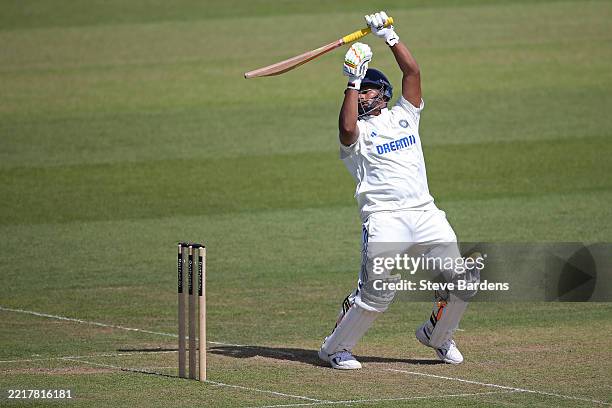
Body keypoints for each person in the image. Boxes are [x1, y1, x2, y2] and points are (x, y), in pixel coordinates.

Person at [318, 11, 479, 370]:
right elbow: (346, 130)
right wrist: (352, 81)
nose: (362, 98)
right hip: (385, 219)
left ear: (384, 93)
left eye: (368, 90)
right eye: (360, 93)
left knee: (464, 281)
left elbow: (413, 73)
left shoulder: (406, 115)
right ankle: (335, 348)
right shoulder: (355, 137)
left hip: (425, 213)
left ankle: (437, 336)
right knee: (378, 294)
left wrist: (389, 35)